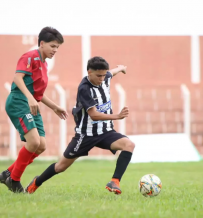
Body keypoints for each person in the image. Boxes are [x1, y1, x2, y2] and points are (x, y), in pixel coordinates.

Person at [25, 56, 135, 195]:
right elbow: (94, 115)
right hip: (86, 135)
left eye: (103, 75)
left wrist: (121, 68)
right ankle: (36, 182)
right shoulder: (84, 89)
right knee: (60, 167)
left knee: (129, 145)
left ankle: (115, 181)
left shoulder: (105, 76)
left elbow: (112, 72)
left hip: (106, 132)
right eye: (98, 75)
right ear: (89, 72)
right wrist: (117, 116)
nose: (102, 78)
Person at [0, 27, 68, 193]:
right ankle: (14, 180)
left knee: (41, 145)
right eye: (52, 46)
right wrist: (30, 98)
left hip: (31, 104)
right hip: (18, 102)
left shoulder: (44, 64)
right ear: (41, 43)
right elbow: (17, 78)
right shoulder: (29, 57)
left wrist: (54, 107)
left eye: (57, 47)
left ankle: (8, 173)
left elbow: (38, 94)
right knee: (34, 142)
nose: (55, 50)